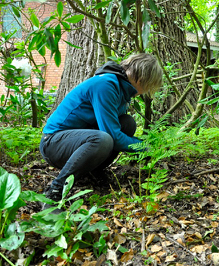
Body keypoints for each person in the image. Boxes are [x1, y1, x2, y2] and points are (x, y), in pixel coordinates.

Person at [40, 53, 163, 210]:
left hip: (76, 142)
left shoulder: (121, 89)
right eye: (148, 85)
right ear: (141, 77)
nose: (145, 91)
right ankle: (54, 192)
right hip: (53, 143)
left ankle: (93, 172)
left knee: (127, 123)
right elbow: (113, 137)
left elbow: (115, 128)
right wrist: (146, 148)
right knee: (103, 139)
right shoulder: (106, 85)